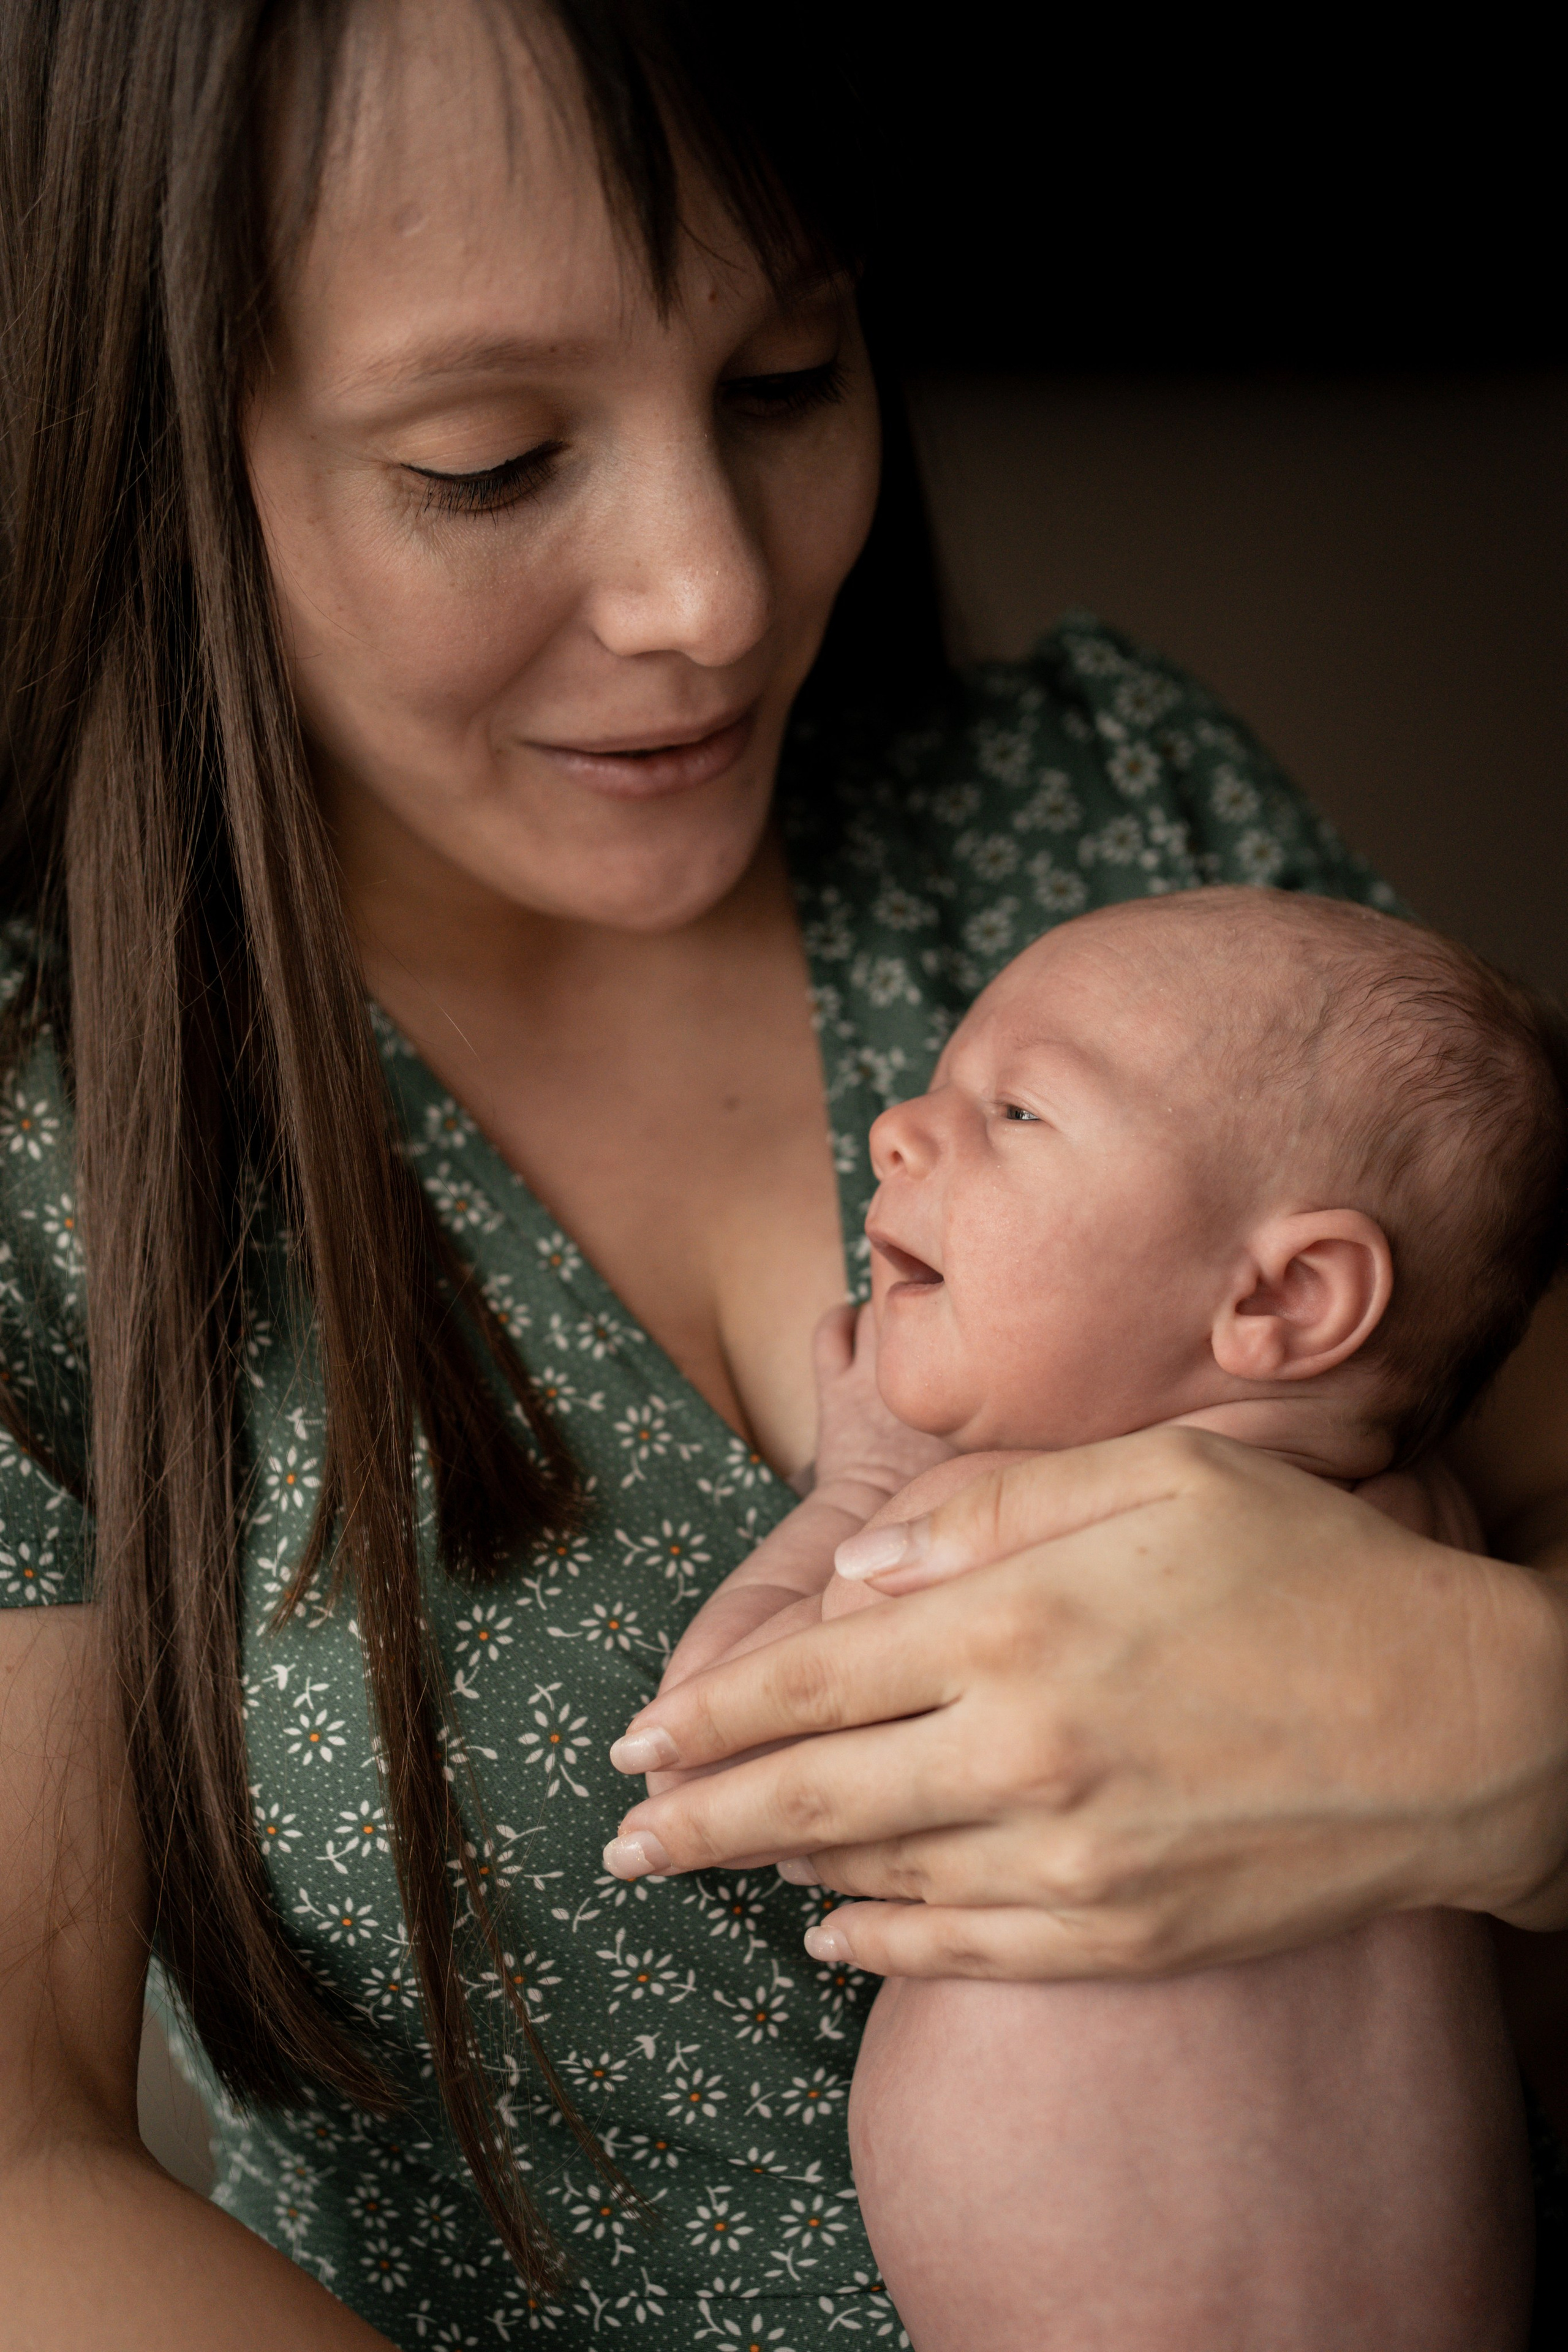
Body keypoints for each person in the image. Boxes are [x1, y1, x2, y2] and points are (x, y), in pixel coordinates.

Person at [2, 6, 1567, 2349]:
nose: (712, 595)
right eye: (493, 458)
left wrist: (1496, 1729)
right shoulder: (49, 1143)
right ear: (155, 435)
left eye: (785, 380)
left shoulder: (1125, 861)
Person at [632, 886, 1568, 2346]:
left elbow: (720, 1753)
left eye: (1014, 1114)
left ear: (1286, 1298)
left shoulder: (1025, 1523)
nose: (899, 1128)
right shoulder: (1431, 1542)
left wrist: (859, 1488)